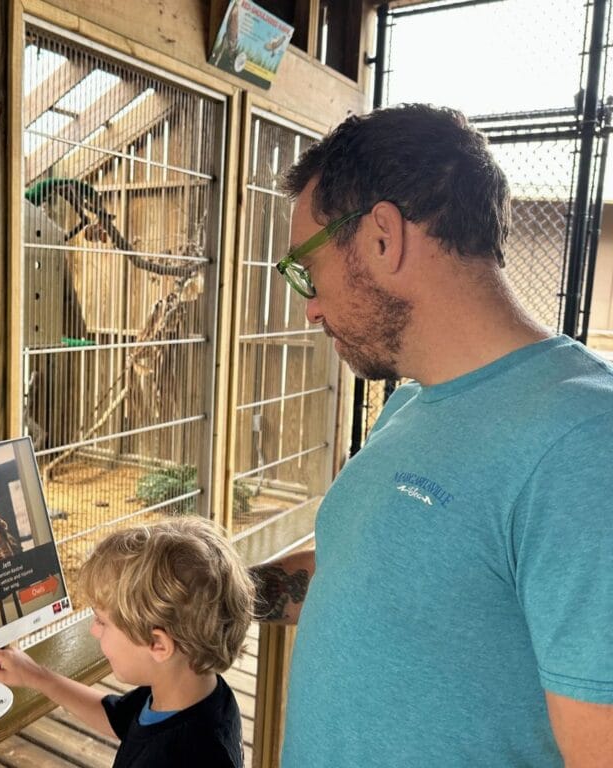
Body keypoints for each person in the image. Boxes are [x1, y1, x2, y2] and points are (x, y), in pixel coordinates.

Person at [251, 103, 613, 767]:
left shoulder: (586, 444)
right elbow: (376, 578)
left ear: (382, 237)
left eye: (306, 267)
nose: (309, 304)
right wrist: (209, 590)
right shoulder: (414, 402)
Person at [0, 516, 255, 768]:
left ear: (158, 644)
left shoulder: (188, 755)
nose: (94, 632)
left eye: (102, 622)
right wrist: (36, 676)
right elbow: (116, 718)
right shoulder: (196, 694)